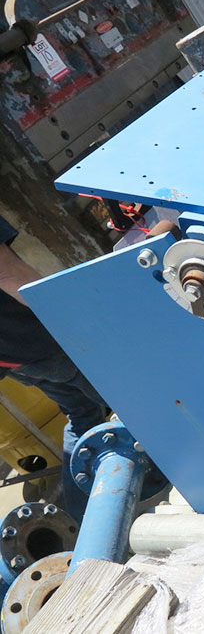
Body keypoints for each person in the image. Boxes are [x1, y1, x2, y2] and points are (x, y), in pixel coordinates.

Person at [0, 215, 107, 520]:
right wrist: (75, 319)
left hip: (17, 361)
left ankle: (81, 518)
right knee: (127, 399)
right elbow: (7, 273)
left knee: (83, 412)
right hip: (44, 339)